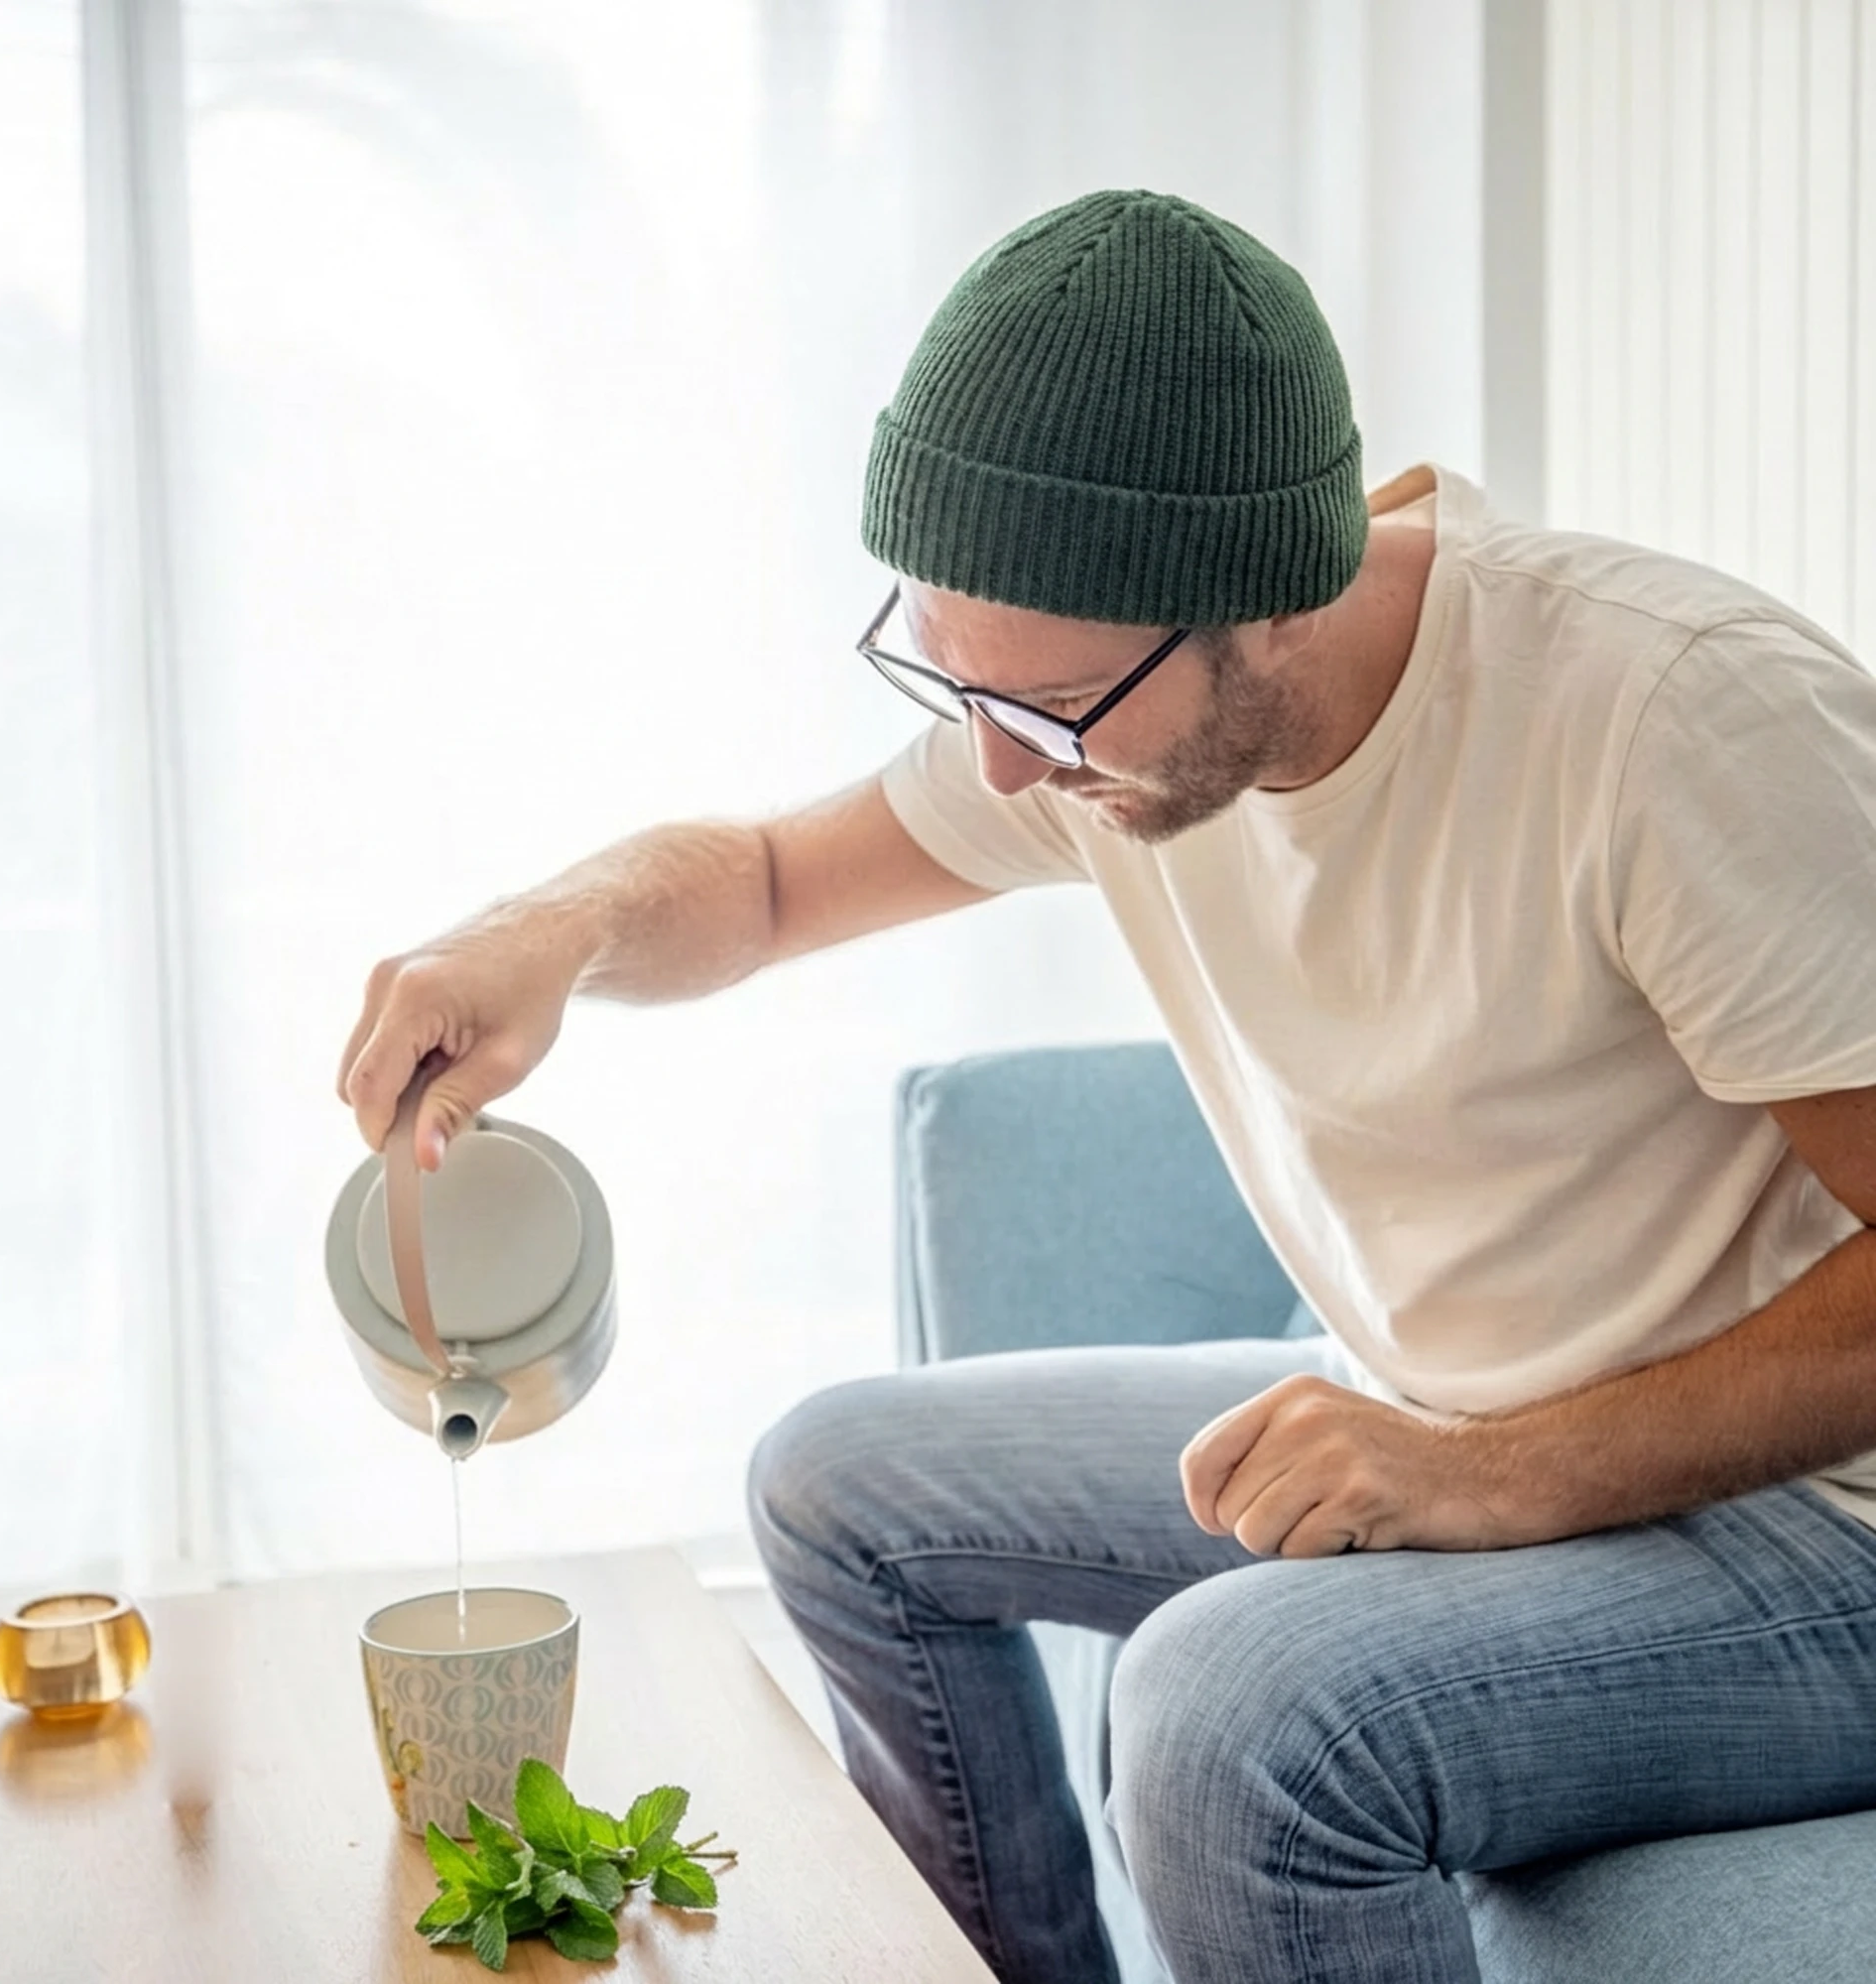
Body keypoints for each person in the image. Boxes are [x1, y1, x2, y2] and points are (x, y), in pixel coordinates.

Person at [338, 189, 1876, 1984]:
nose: (999, 765)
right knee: (836, 1486)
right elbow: (762, 881)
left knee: (1228, 1717)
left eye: (1055, 707)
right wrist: (552, 929)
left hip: (1821, 1531)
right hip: (1449, 1405)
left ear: (1271, 604)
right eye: (950, 674)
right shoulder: (1088, 724)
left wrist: (1495, 1476)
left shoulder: (1671, 720)